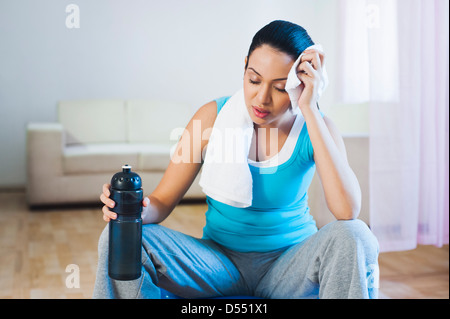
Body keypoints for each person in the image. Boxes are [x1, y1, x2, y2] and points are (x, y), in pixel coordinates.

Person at [93, 20, 379, 299]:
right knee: (118, 237)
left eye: (280, 88)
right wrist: (132, 214)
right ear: (244, 67)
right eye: (254, 80)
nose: (261, 98)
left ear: (298, 84)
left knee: (355, 234)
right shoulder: (210, 117)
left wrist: (310, 108)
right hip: (218, 265)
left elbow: (347, 211)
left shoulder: (315, 126)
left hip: (290, 267)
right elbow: (163, 201)